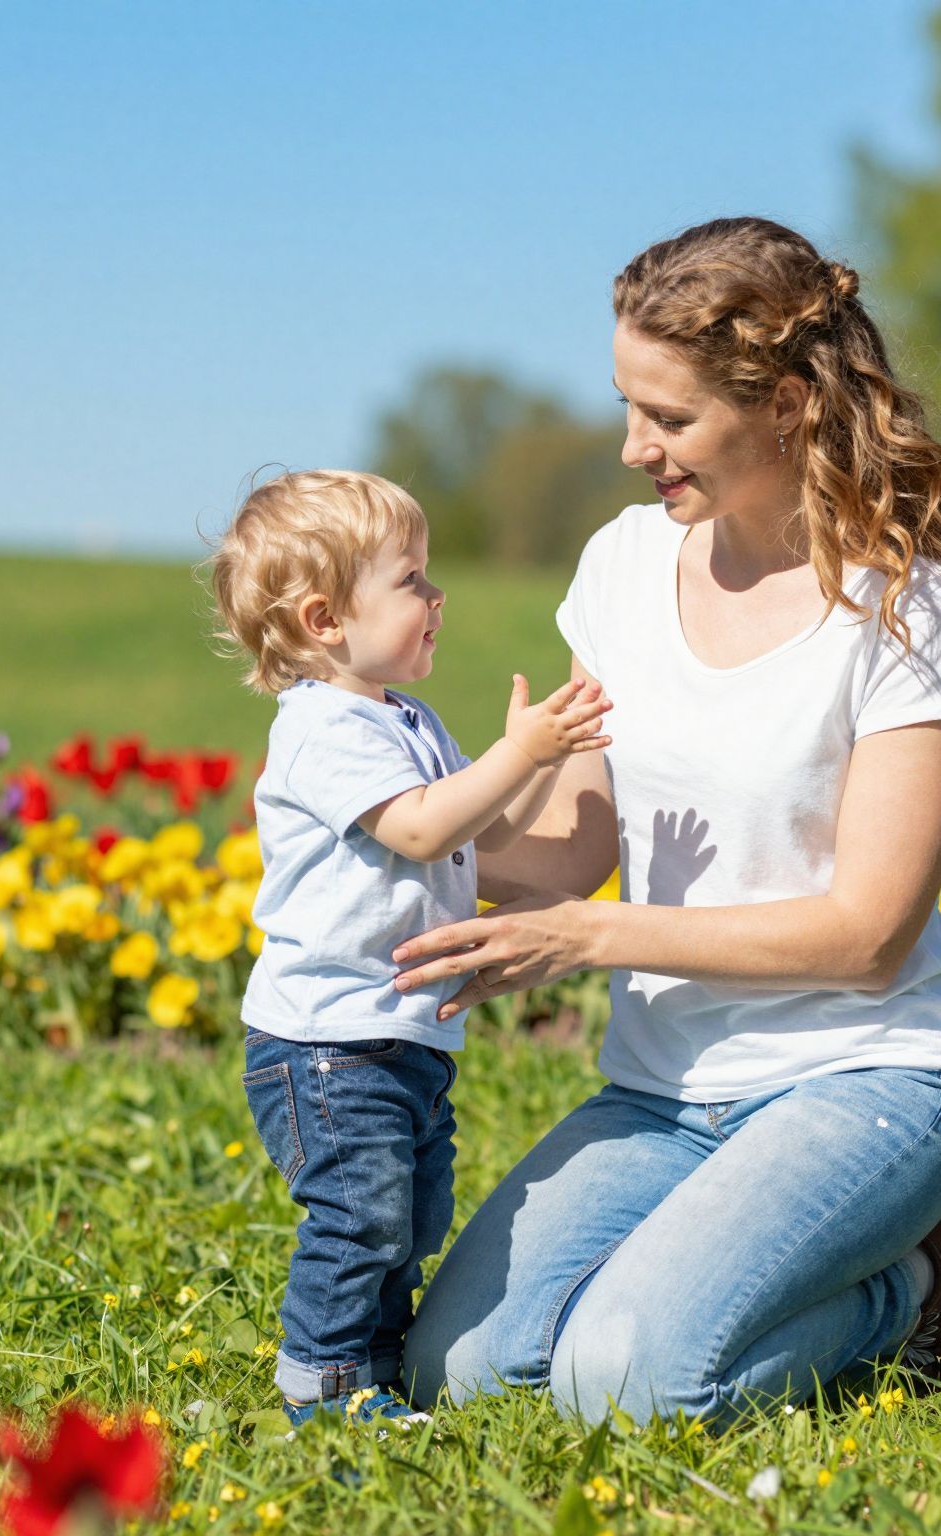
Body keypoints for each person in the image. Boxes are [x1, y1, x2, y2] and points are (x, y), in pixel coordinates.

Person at [394, 218, 941, 1425]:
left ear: (788, 403)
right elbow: (575, 843)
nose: (635, 446)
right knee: (459, 1378)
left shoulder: (907, 605)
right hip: (659, 1091)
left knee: (627, 1386)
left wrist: (590, 940)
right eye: (629, 407)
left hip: (859, 1085)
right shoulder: (626, 564)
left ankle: (911, 1286)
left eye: (670, 418)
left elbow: (866, 938)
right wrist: (415, 831)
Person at [207, 469, 611, 1426]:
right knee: (362, 1215)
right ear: (324, 619)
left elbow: (481, 828)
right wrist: (520, 755)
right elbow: (426, 831)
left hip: (396, 1033)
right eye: (412, 579)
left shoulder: (404, 718)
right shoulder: (318, 729)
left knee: (413, 1214)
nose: (437, 598)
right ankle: (323, 1381)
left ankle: (375, 1366)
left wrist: (543, 762)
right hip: (325, 1042)